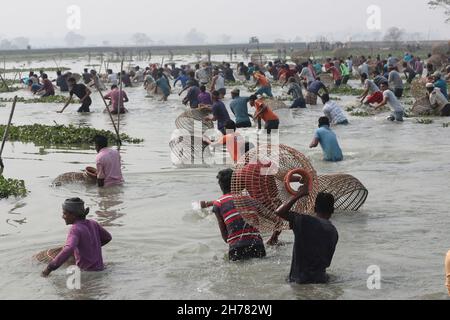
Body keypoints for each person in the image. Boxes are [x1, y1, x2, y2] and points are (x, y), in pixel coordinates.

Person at [274, 188, 338, 284]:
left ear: (314, 208)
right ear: (333, 210)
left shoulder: (304, 221)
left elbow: (279, 211)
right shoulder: (334, 232)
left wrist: (299, 194)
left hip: (299, 281)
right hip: (322, 280)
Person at [41, 198, 112, 277]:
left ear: (73, 215)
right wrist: (90, 248)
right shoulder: (93, 223)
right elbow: (108, 238)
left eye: (65, 213)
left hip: (87, 274)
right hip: (100, 269)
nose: (63, 216)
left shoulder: (75, 229)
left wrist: (48, 269)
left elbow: (68, 249)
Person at [207, 169, 266, 261]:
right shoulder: (251, 199)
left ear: (220, 185)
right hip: (257, 245)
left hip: (237, 248)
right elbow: (259, 223)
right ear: (236, 182)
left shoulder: (218, 204)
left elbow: (225, 237)